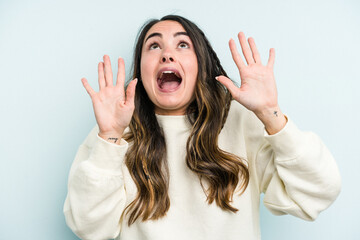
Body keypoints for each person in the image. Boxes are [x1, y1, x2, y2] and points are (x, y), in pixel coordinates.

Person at [63, 15, 341, 240]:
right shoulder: (115, 134)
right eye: (154, 46)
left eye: (182, 45)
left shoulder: (241, 121)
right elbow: (89, 228)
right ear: (141, 70)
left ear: (201, 66)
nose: (167, 54)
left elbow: (320, 190)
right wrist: (110, 136)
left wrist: (270, 113)